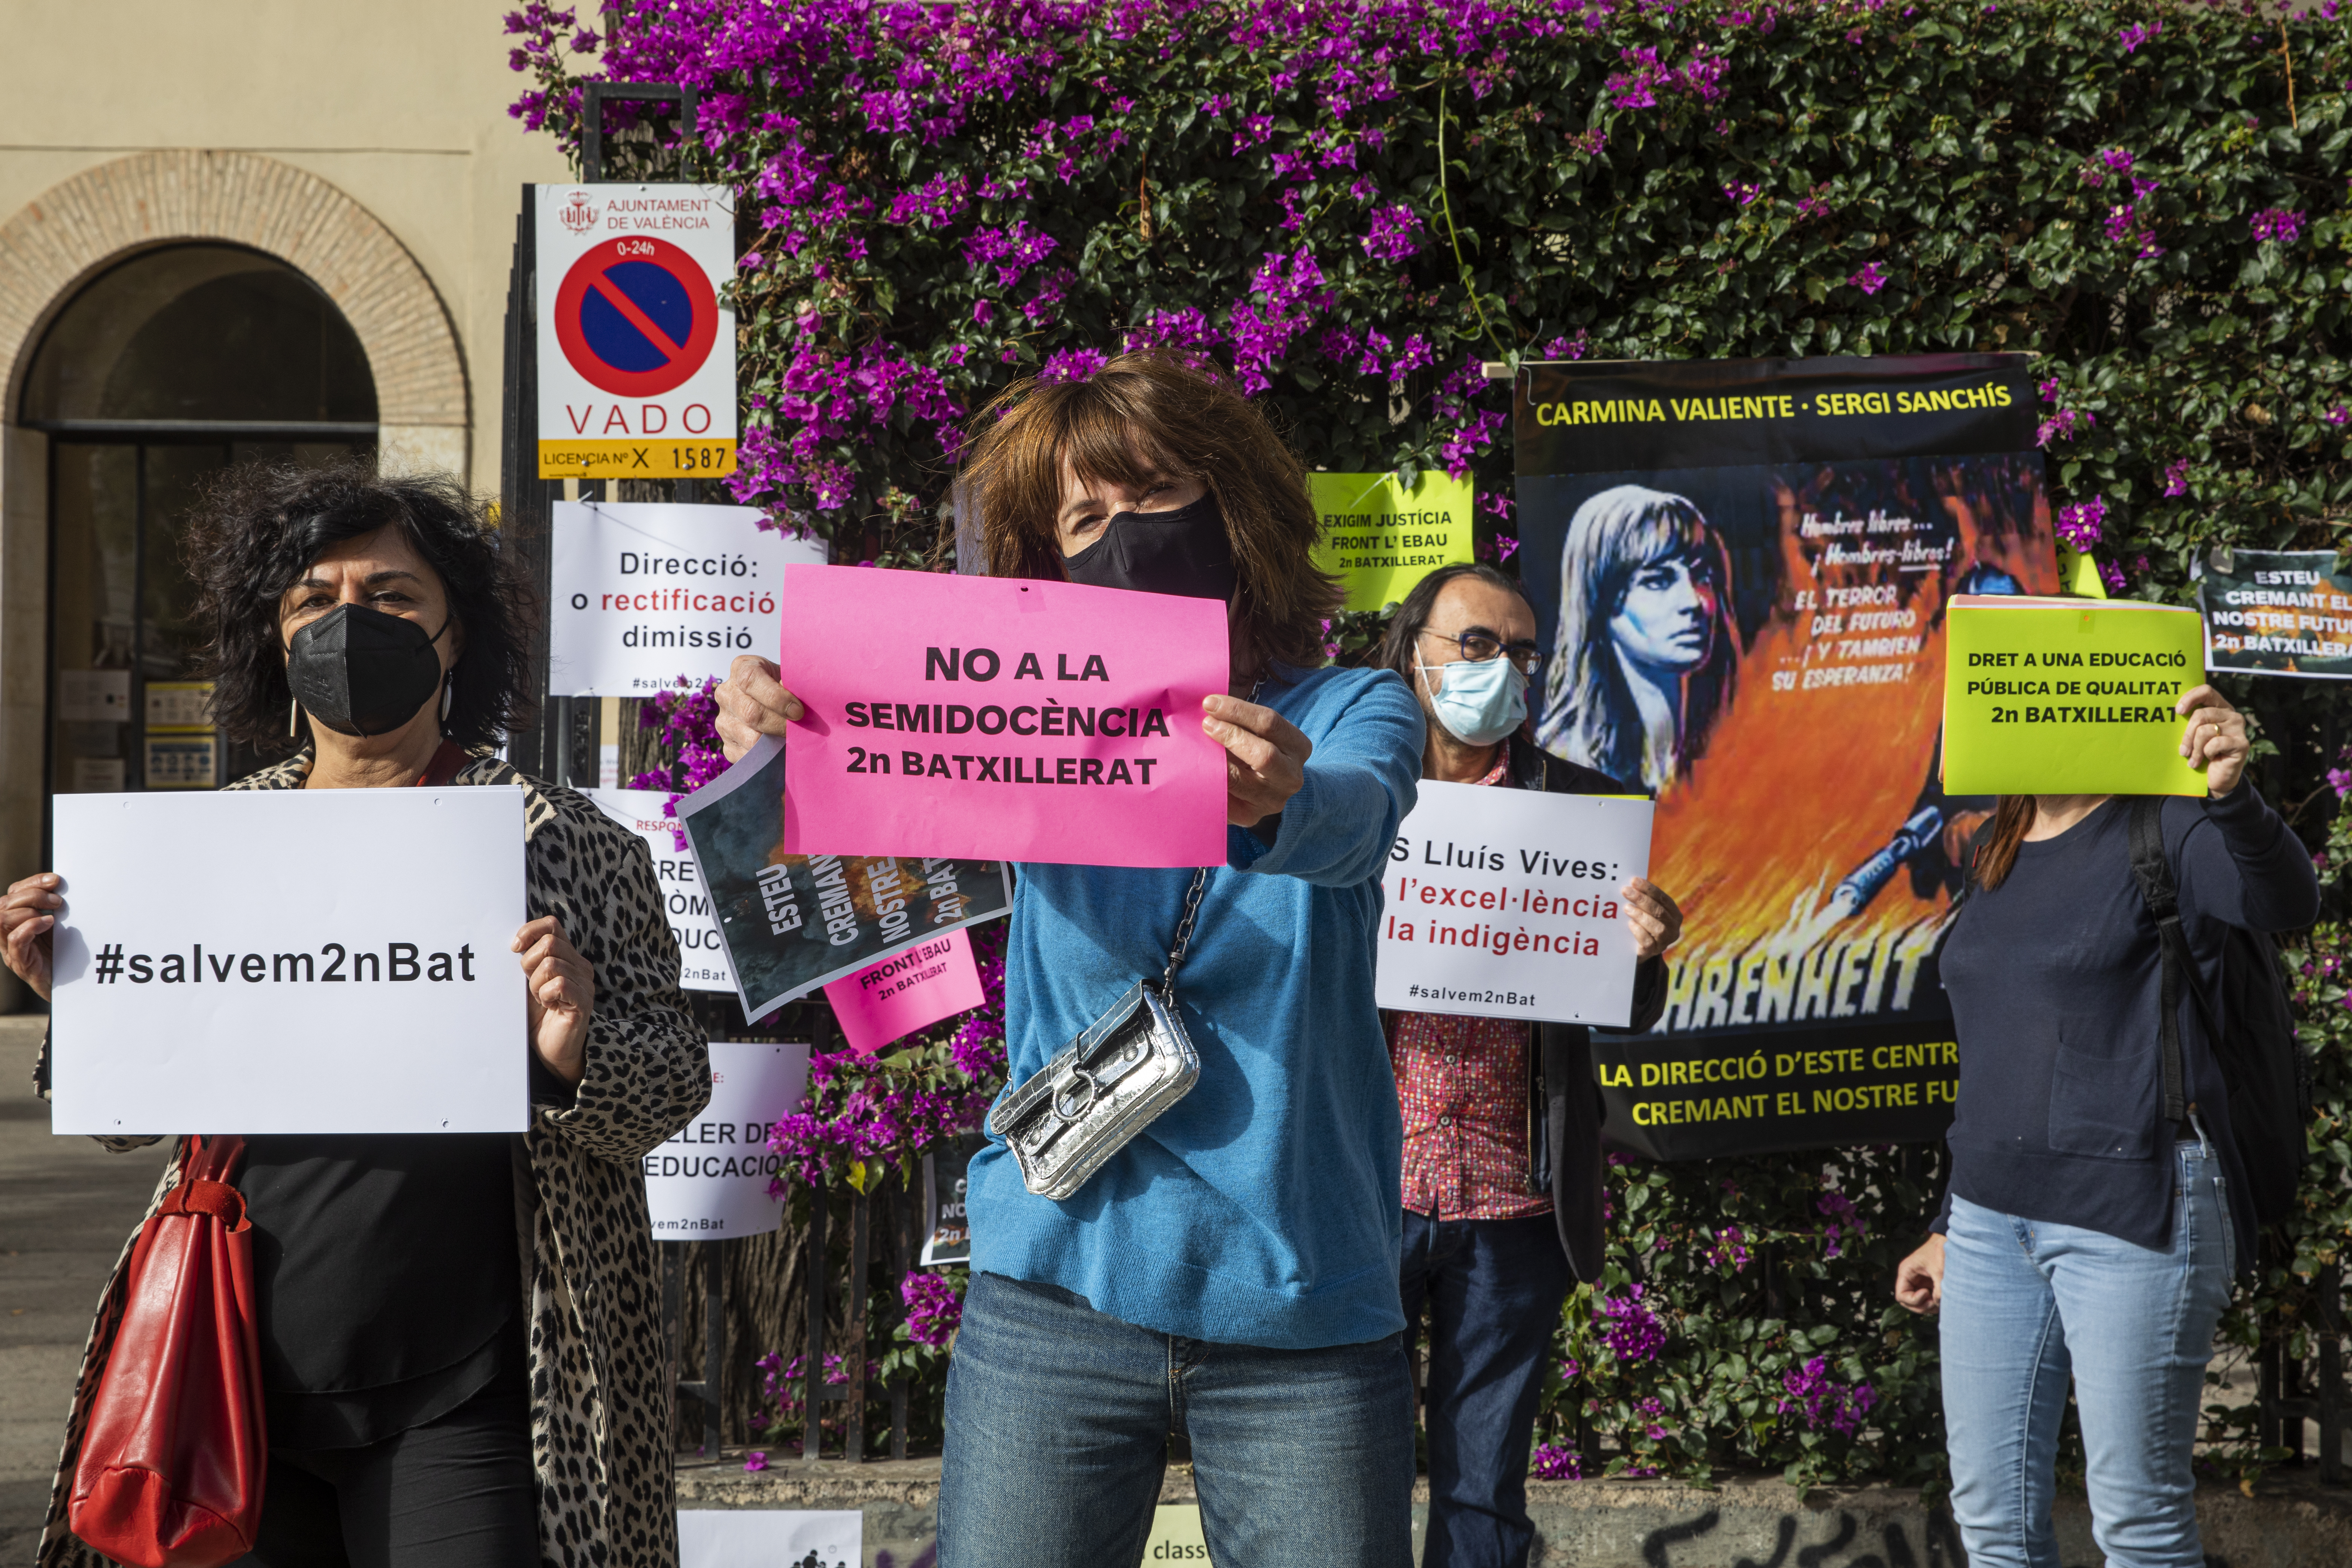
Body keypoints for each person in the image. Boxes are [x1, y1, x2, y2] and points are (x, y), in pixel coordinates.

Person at [712, 350, 1426, 1568]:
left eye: (1152, 495)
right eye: (1084, 518)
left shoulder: (1353, 702)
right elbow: (858, 801)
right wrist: (778, 733)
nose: (1122, 536)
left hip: (1302, 1305)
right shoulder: (1017, 721)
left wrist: (1274, 800)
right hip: (1051, 1297)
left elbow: (1352, 820)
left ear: (1234, 507)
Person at [1, 463, 710, 1568]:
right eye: (314, 599)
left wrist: (573, 1058)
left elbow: (674, 1082)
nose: (349, 622)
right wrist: (84, 1003)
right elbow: (129, 1122)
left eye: (390, 597)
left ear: (455, 634)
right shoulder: (202, 843)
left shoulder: (566, 843)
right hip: (230, 1367)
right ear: (276, 640)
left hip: (478, 1377)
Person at [1892, 685, 2318, 1568]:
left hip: (2136, 1206)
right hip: (1989, 1222)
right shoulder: (1995, 847)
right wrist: (1946, 1224)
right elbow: (2003, 1051)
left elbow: (2286, 904)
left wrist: (2234, 795)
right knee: (1995, 1523)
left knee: (2138, 1524)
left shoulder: (2171, 826)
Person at [1374, 563, 1680, 1568]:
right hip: (1361, 1194)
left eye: (1519, 650)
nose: (1499, 666)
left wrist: (1643, 952)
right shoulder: (1347, 799)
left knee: (1483, 1496)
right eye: (1475, 644)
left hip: (1511, 1203)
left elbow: (1618, 1010)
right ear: (1412, 647)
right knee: (1341, 1478)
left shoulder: (1580, 810)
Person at [1535, 483, 1737, 792]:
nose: (1694, 602)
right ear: (1601, 598)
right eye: (1658, 581)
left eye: (1702, 577)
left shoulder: (1729, 743)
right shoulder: (1569, 766)